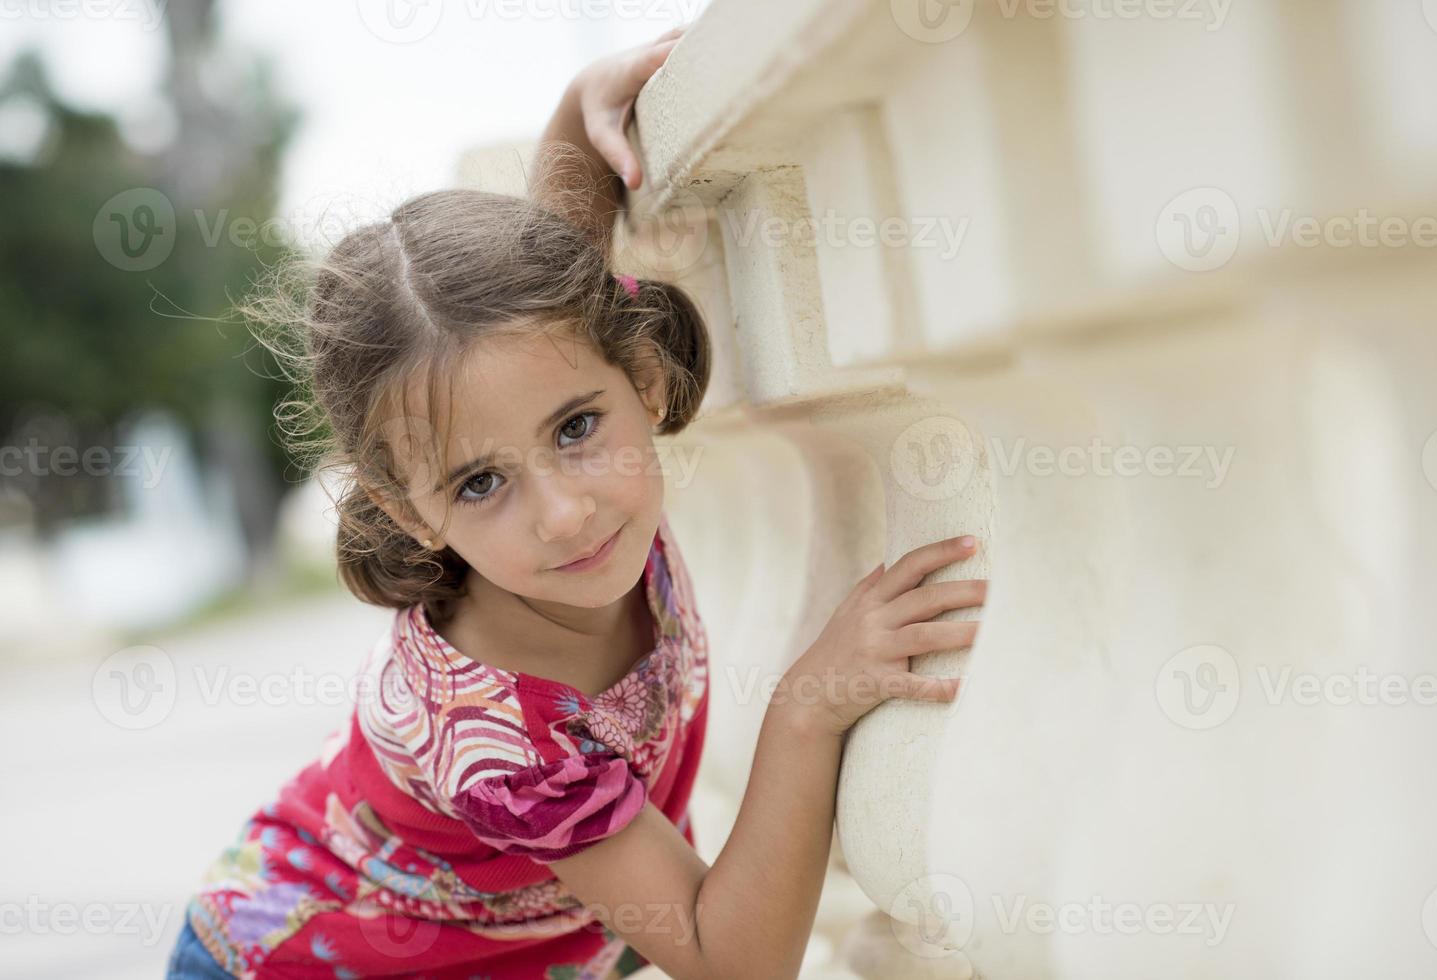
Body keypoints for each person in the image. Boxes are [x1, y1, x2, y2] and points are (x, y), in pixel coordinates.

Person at [166, 23, 984, 979]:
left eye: (575, 429)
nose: (563, 511)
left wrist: (580, 103)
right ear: (410, 512)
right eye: (480, 482)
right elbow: (736, 960)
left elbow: (563, 247)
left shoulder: (560, 379)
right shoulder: (493, 735)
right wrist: (807, 703)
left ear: (639, 375)